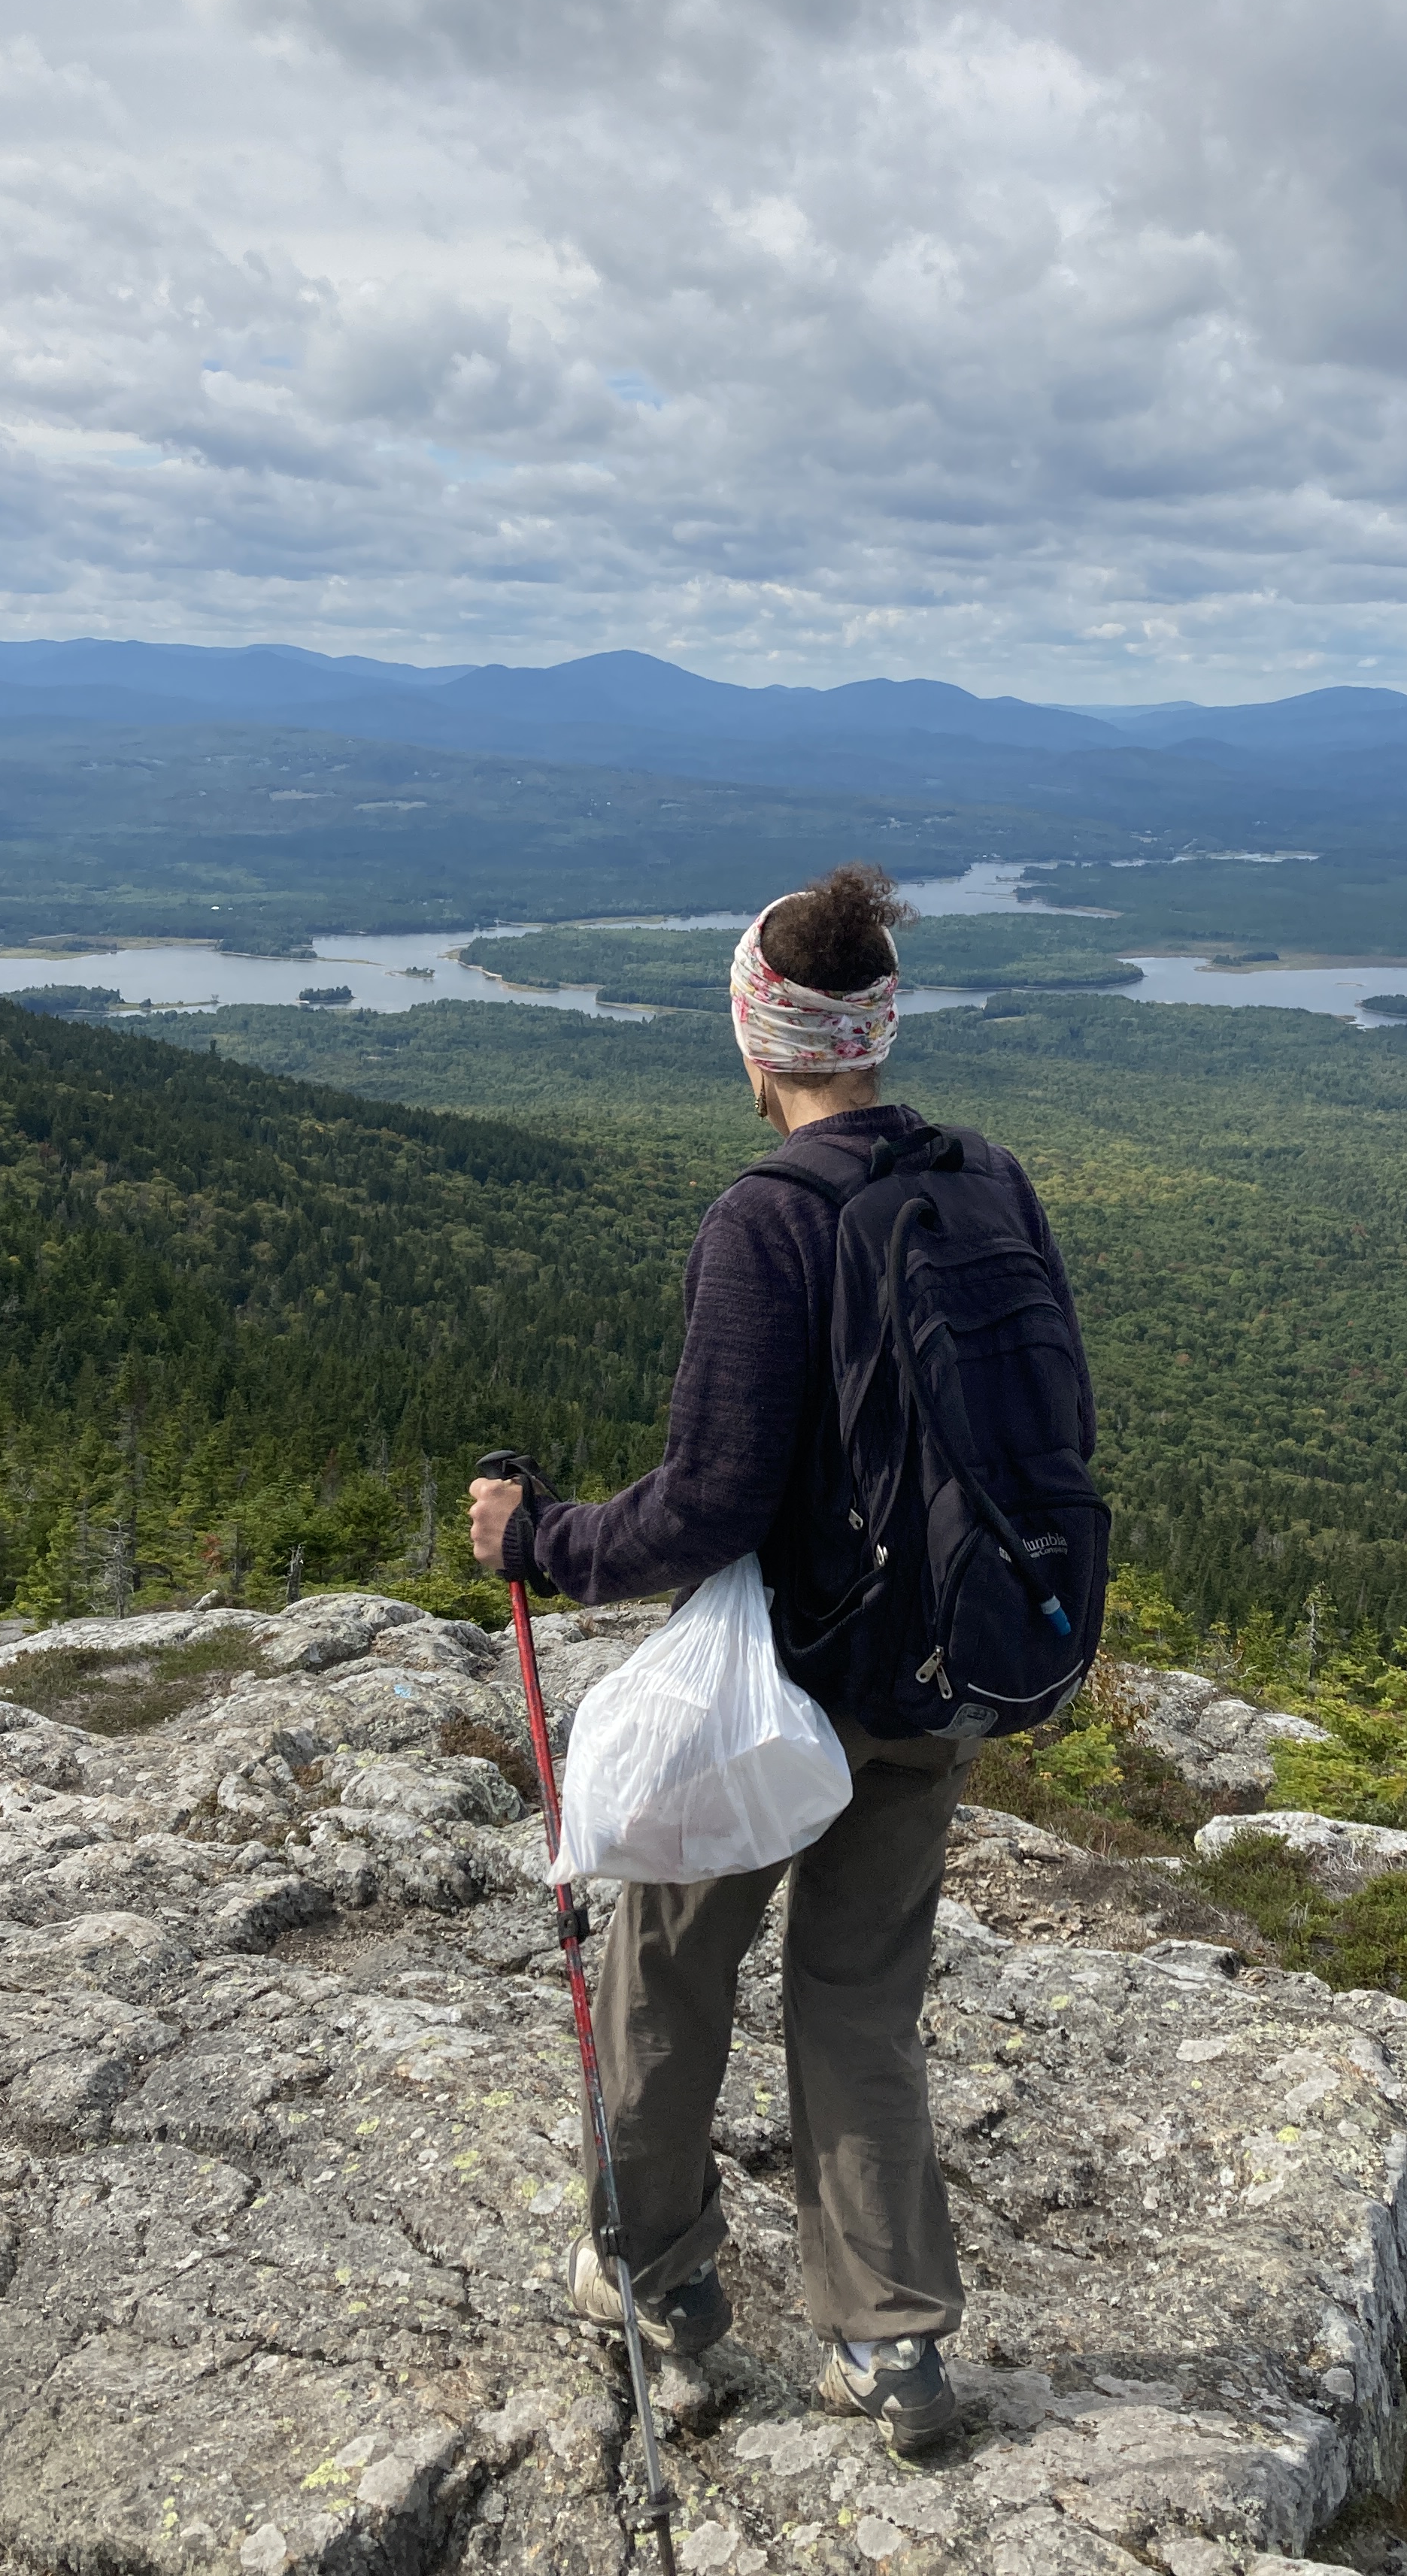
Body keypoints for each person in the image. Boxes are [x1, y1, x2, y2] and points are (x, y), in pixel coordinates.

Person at [466, 861, 1094, 2450]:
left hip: (783, 1689)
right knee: (863, 1999)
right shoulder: (990, 1181)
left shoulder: (769, 1219)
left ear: (759, 1040)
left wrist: (540, 1541)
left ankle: (658, 2286)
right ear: (875, 1030)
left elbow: (706, 1506)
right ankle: (894, 2344)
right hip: (946, 1668)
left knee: (669, 1968)